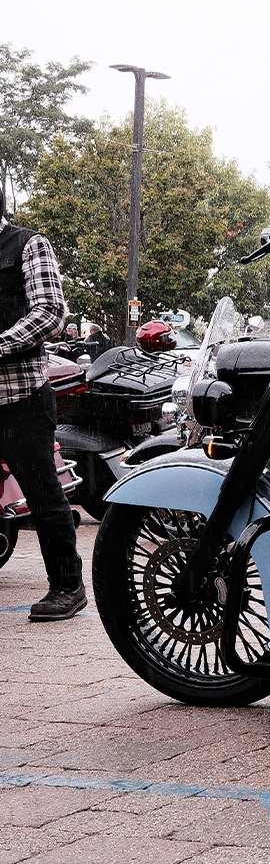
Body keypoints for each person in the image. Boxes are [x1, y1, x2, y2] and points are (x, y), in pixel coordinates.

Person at [0, 198, 83, 621]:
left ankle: (67, 586)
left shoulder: (28, 245)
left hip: (20, 398)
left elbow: (50, 313)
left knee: (43, 494)